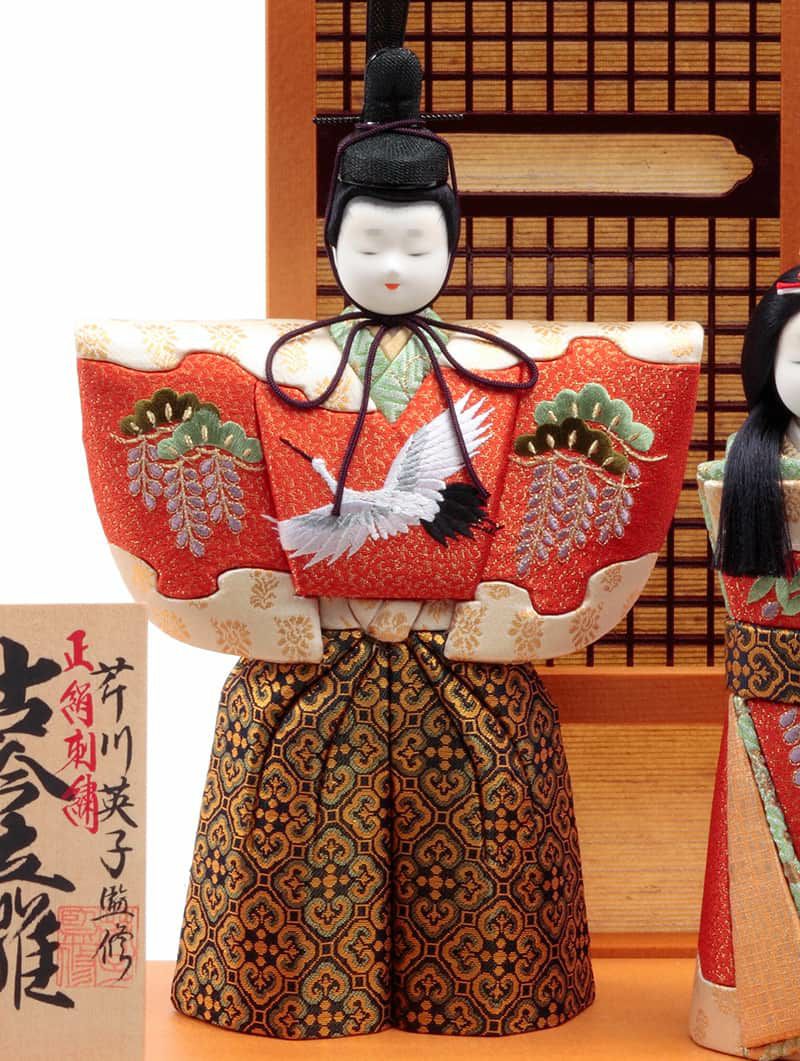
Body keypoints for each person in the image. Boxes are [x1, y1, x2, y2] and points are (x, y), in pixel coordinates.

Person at [75, 21, 701, 1042]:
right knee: (291, 861)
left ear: (454, 244)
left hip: (467, 665)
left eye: (417, 244)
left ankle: (481, 996)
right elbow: (144, 374)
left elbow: (627, 381)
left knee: (485, 866)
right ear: (332, 243)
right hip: (313, 666)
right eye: (369, 243)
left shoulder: (504, 365)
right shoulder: (278, 365)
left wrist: (501, 603)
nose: (394, 265)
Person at [692, 266, 800, 1059]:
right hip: (767, 695)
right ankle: (755, 1008)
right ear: (767, 364)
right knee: (761, 842)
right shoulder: (744, 461)